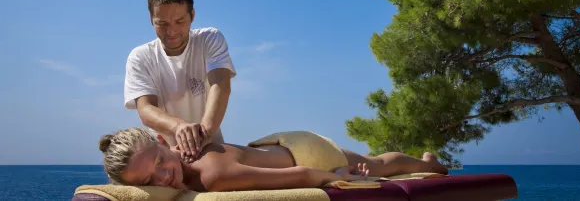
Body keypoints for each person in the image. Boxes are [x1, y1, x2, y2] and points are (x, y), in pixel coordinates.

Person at [98, 127, 448, 192]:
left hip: (305, 153)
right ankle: (424, 160)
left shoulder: (211, 177)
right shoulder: (184, 155)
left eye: (160, 162)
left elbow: (297, 177)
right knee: (376, 160)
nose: (163, 178)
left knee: (377, 167)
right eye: (147, 182)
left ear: (164, 142)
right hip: (274, 143)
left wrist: (340, 179)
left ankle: (431, 165)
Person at [124, 0, 236, 163]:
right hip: (165, 156)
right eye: (162, 24)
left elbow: (220, 84)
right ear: (151, 19)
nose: (172, 31)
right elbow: (145, 108)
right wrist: (178, 127)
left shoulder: (209, 39)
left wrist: (203, 136)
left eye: (180, 21)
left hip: (211, 151)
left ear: (192, 15)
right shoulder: (140, 57)